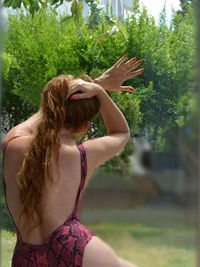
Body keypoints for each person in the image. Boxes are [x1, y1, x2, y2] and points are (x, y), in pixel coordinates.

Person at [2, 54, 144, 267]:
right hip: (71, 247)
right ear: (84, 127)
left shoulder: (12, 144)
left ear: (47, 107)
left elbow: (45, 116)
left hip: (25, 256)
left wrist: (89, 86)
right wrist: (98, 90)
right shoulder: (83, 154)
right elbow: (120, 133)